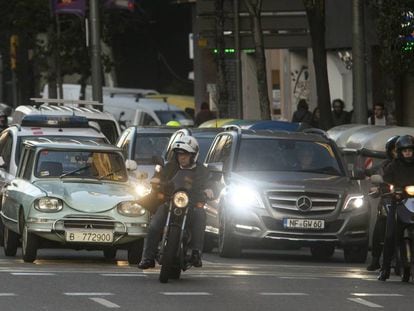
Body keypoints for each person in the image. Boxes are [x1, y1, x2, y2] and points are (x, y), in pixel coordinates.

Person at [137, 135, 215, 269]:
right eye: (179, 154)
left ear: (193, 155)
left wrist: (209, 189)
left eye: (185, 154)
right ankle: (148, 257)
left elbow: (210, 182)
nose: (182, 157)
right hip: (170, 201)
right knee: (155, 224)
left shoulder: (202, 170)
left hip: (191, 203)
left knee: (200, 215)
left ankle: (196, 253)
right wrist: (156, 181)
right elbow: (159, 176)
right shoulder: (170, 167)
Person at [378, 135, 414, 281]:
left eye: (410, 150)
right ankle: (385, 268)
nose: (407, 153)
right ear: (399, 152)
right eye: (404, 151)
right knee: (390, 234)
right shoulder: (393, 166)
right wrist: (388, 189)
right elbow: (384, 182)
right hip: (398, 203)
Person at [365, 135, 399, 271]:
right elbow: (376, 175)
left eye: (406, 150)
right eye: (396, 150)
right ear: (390, 151)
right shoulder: (385, 165)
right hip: (389, 200)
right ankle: (375, 258)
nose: (400, 152)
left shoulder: (411, 165)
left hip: (408, 202)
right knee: (380, 226)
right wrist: (379, 188)